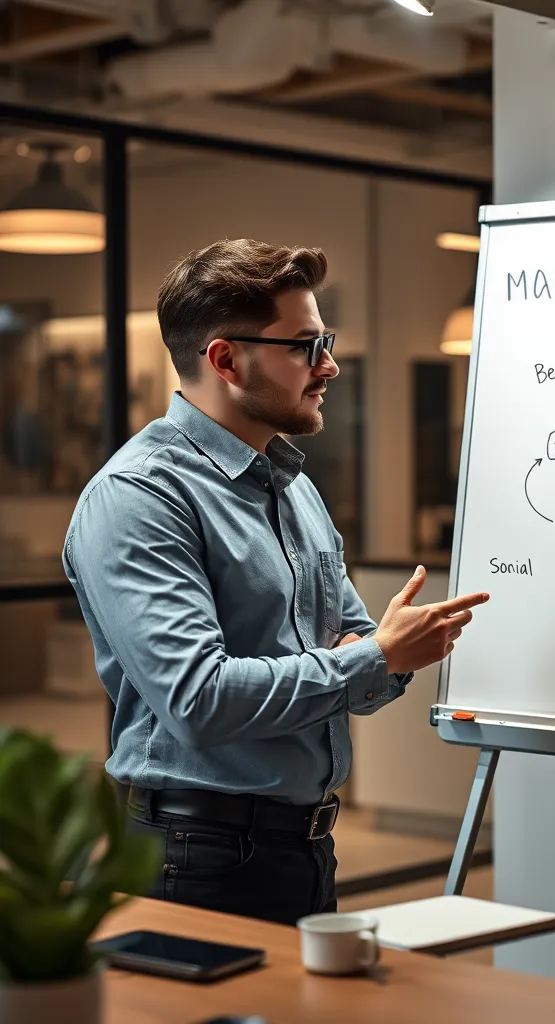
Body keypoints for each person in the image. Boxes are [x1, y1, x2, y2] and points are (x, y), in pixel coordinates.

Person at [63, 239, 488, 925]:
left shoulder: (293, 488)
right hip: (193, 852)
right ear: (226, 358)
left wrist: (377, 656)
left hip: (304, 845)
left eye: (327, 341)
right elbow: (200, 700)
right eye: (305, 346)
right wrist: (376, 655)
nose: (330, 366)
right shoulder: (140, 496)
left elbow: (353, 650)